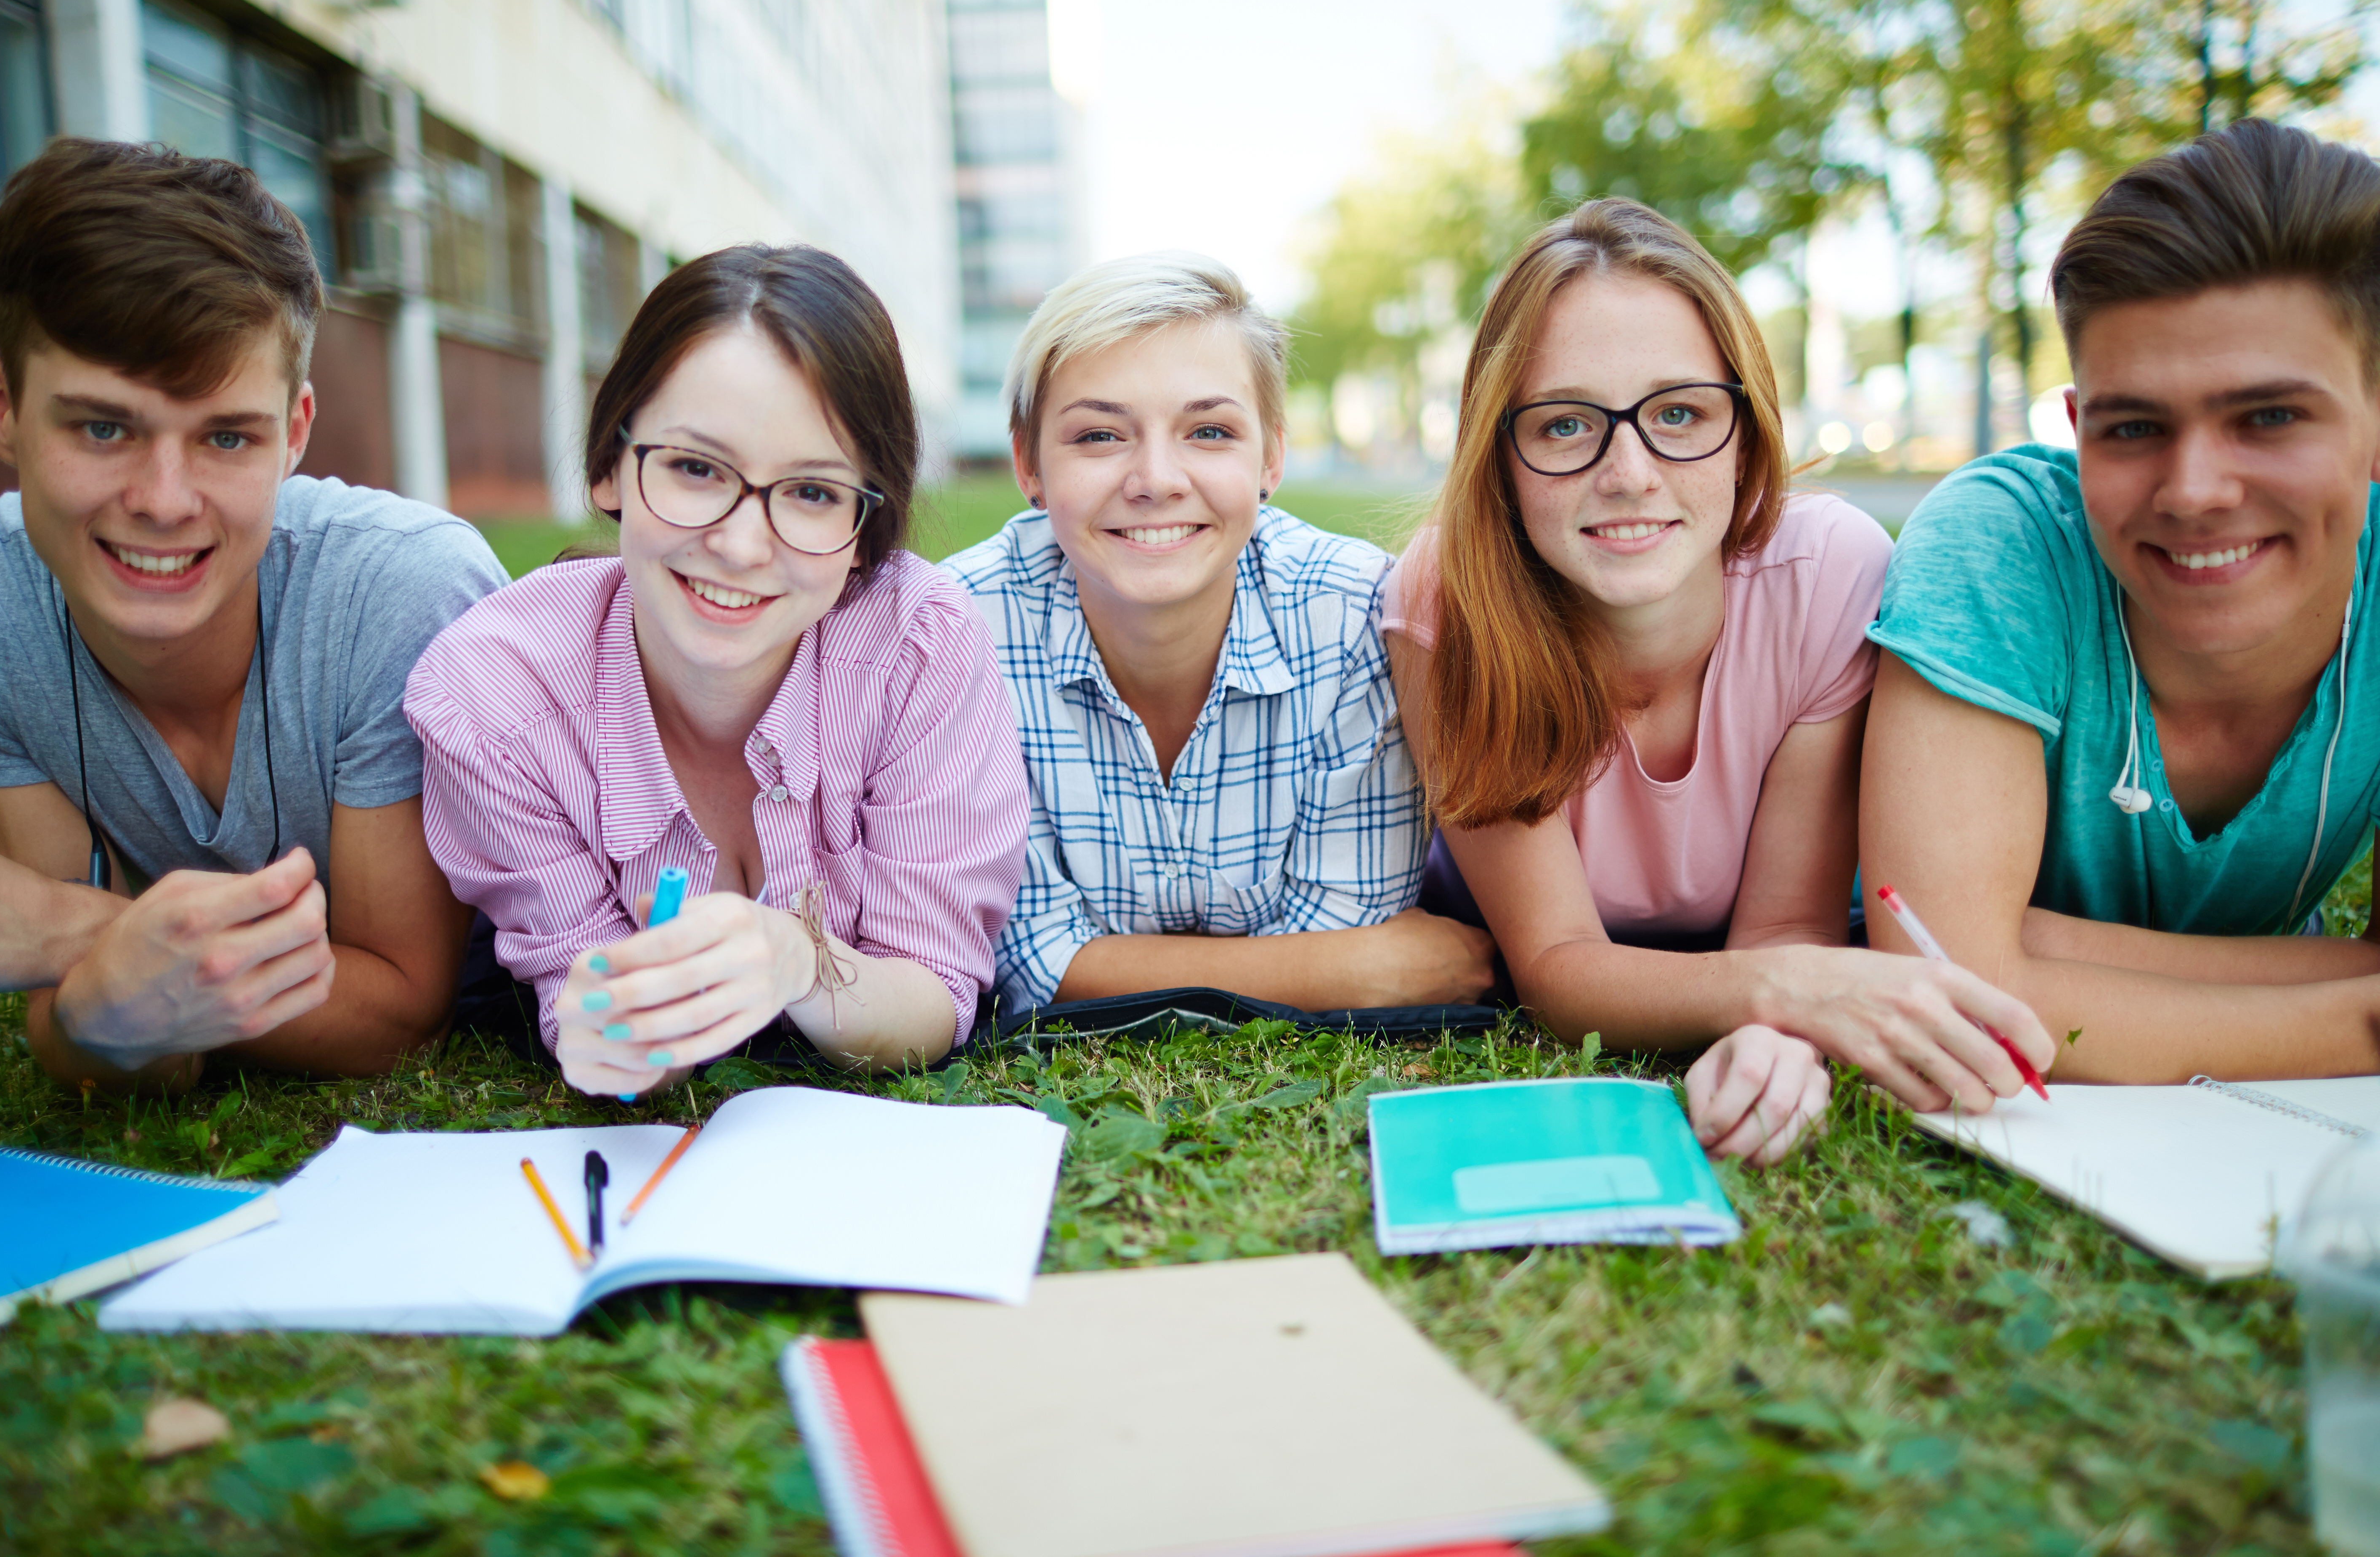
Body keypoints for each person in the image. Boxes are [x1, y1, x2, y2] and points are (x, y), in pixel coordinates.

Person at [1384, 200, 2051, 1167]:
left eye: (1679, 415)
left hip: (1754, 960)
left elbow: (1786, 930)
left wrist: (1772, 1035)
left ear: (1746, 430)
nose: (1629, 473)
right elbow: (1559, 969)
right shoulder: (1449, 598)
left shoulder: (1829, 574)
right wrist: (1783, 993)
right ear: (1501, 455)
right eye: (1567, 424)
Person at [407, 245, 1027, 1094]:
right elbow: (597, 1021)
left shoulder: (919, 644)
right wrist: (619, 1038)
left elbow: (933, 993)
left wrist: (799, 963)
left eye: (811, 491)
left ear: (863, 529)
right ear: (609, 467)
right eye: (696, 470)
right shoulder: (489, 699)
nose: (740, 547)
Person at [0, 140, 506, 1094]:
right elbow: (96, 1023)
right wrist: (95, 983)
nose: (165, 500)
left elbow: (395, 1011)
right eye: (103, 427)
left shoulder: (398, 589)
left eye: (225, 436)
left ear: (293, 432)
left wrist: (60, 932)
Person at [1864, 118, 2380, 1083]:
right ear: (2075, 428)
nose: (2194, 490)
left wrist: (2032, 951)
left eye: (2269, 417)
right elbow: (1948, 980)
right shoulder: (2000, 545)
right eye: (2134, 427)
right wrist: (2353, 1009)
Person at [945, 251, 1495, 1018]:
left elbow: (1350, 916)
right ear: (1027, 464)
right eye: (1100, 437)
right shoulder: (961, 626)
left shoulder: (1353, 613)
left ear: (1271, 455)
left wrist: (1107, 967)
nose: (1157, 479)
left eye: (1208, 431)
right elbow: (1027, 961)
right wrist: (1341, 971)